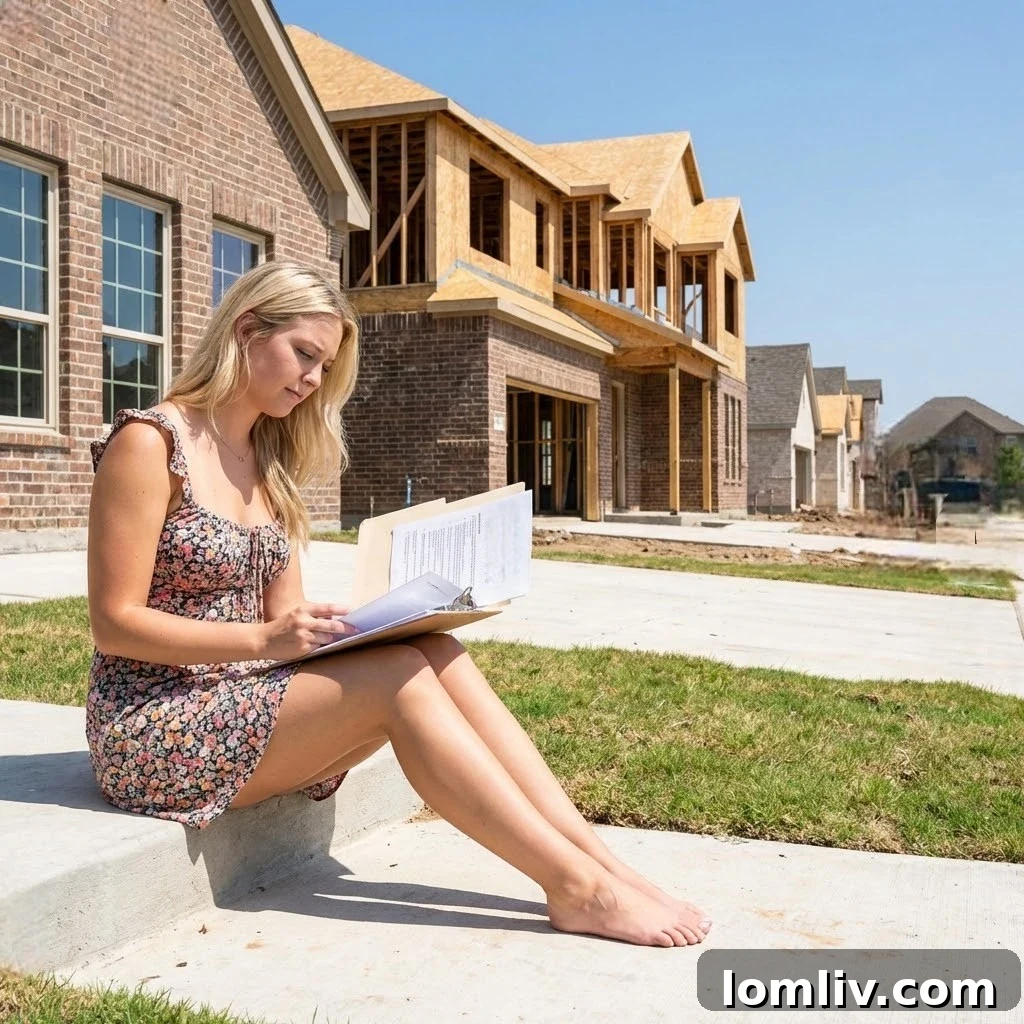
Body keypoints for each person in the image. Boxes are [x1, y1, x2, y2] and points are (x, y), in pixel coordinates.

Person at [86, 260, 711, 948]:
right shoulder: (150, 444)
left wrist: (362, 626)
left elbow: (281, 623)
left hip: (242, 701)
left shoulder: (268, 460)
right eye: (305, 355)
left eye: (324, 367)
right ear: (246, 329)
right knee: (398, 680)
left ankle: (603, 865)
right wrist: (269, 645)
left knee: (432, 650)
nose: (313, 381)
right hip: (152, 725)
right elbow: (114, 624)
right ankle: (576, 889)